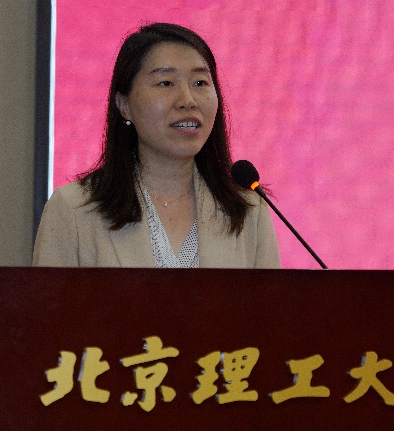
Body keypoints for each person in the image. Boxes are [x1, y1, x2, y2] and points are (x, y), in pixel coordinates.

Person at [33, 22, 280, 268]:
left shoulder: (249, 211)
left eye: (200, 83)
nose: (188, 100)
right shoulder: (73, 209)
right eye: (166, 83)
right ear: (124, 105)